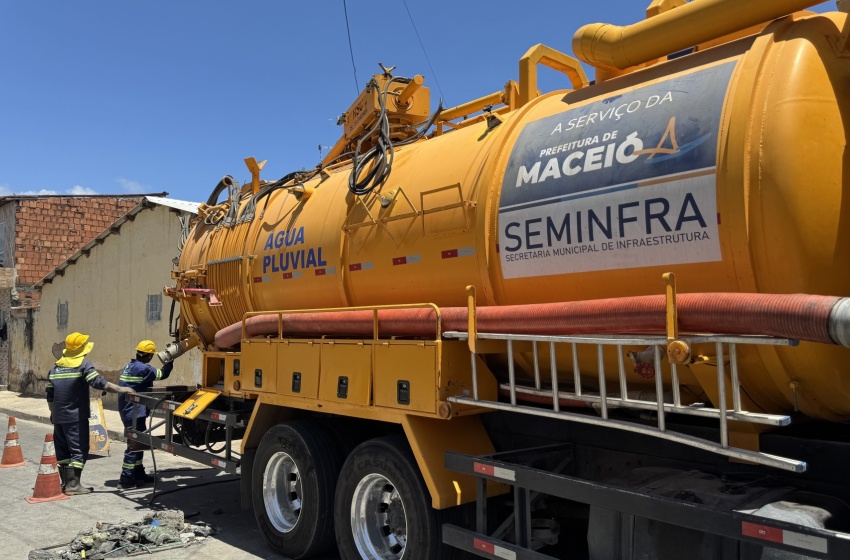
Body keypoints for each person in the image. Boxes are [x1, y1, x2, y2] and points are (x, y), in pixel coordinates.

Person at [46, 332, 134, 495]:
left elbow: (50, 396)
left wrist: (54, 413)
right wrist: (122, 389)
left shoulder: (55, 368)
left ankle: (65, 483)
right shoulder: (83, 365)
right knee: (79, 449)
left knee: (63, 450)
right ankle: (73, 485)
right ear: (81, 350)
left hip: (58, 417)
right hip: (75, 417)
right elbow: (99, 383)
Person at [117, 340, 174, 489]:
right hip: (134, 411)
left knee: (139, 443)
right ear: (149, 356)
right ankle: (126, 479)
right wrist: (170, 359)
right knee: (134, 444)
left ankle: (138, 473)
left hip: (128, 409)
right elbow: (162, 374)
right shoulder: (143, 368)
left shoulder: (129, 366)